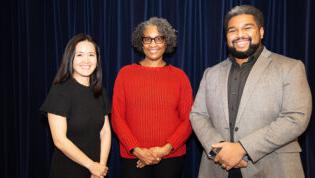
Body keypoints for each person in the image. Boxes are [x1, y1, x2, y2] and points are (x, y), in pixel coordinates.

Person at [190, 5, 312, 178]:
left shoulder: (290, 67)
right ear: (226, 36)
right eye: (233, 30)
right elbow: (198, 114)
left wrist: (242, 148)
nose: (239, 35)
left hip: (274, 168)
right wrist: (219, 150)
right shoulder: (211, 73)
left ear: (261, 32)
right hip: (217, 168)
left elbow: (296, 117)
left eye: (247, 28)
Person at [111, 17, 193, 178]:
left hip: (171, 157)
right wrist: (137, 150)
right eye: (147, 39)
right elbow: (117, 117)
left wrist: (165, 150)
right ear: (141, 42)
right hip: (133, 157)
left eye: (159, 38)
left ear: (167, 41)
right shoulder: (125, 74)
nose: (153, 44)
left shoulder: (180, 76)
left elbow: (189, 119)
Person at [40, 33, 111, 178]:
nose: (86, 60)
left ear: (97, 59)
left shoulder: (100, 92)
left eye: (91, 55)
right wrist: (91, 165)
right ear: (70, 58)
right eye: (79, 55)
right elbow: (60, 140)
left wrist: (100, 168)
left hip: (97, 171)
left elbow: (105, 132)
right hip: (68, 170)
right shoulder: (60, 91)